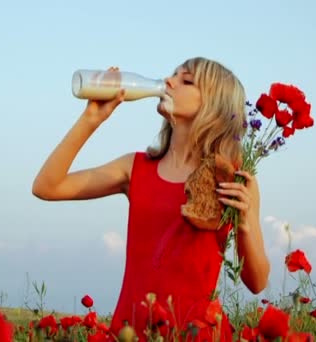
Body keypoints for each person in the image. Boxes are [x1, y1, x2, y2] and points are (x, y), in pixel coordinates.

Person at [32, 57, 270, 341]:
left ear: (215, 106)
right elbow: (47, 186)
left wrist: (244, 224)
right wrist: (91, 119)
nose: (168, 81)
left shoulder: (233, 177)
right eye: (172, 74)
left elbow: (257, 282)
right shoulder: (135, 168)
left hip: (195, 334)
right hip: (130, 332)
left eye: (186, 81)